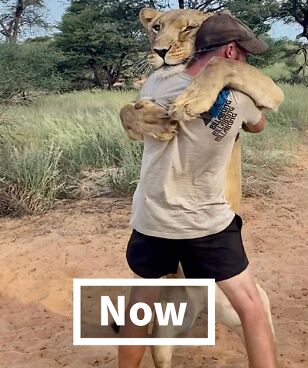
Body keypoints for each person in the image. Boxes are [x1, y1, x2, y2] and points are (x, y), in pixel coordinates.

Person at [118, 14, 276, 368]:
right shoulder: (241, 98)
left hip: (151, 218)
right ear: (232, 51)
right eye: (245, 55)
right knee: (251, 305)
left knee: (140, 305)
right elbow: (260, 123)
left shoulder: (154, 87)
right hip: (206, 223)